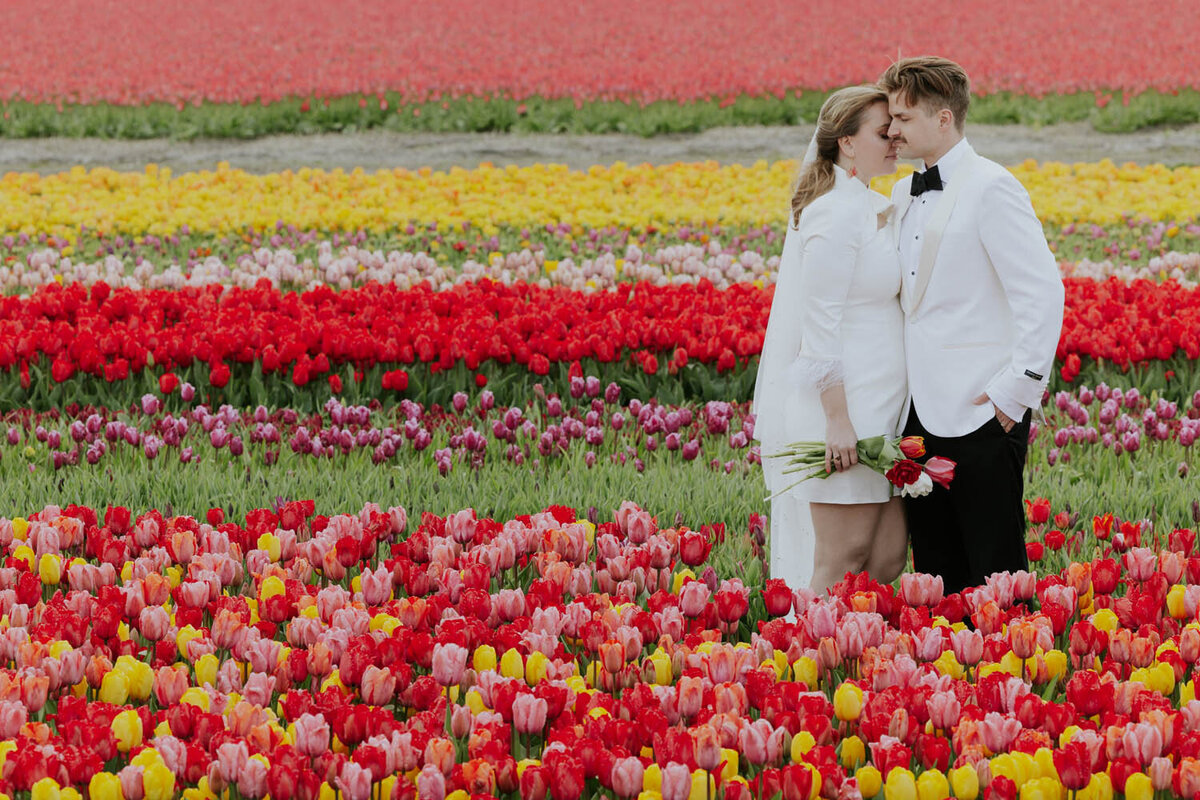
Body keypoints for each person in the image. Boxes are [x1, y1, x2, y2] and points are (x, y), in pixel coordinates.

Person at [878, 57, 1065, 595]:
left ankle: (1007, 670)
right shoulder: (899, 194)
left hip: (986, 408)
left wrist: (1019, 389)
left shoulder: (992, 187)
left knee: (996, 563)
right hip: (916, 410)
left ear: (943, 119)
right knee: (935, 565)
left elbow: (1041, 289)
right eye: (890, 118)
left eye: (904, 118)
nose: (893, 130)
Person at [753, 86, 909, 594]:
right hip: (844, 415)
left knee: (885, 559)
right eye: (882, 132)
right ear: (846, 141)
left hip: (882, 409)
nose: (895, 139)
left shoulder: (867, 203)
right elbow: (818, 329)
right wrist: (838, 421)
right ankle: (805, 664)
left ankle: (853, 657)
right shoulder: (832, 213)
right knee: (842, 562)